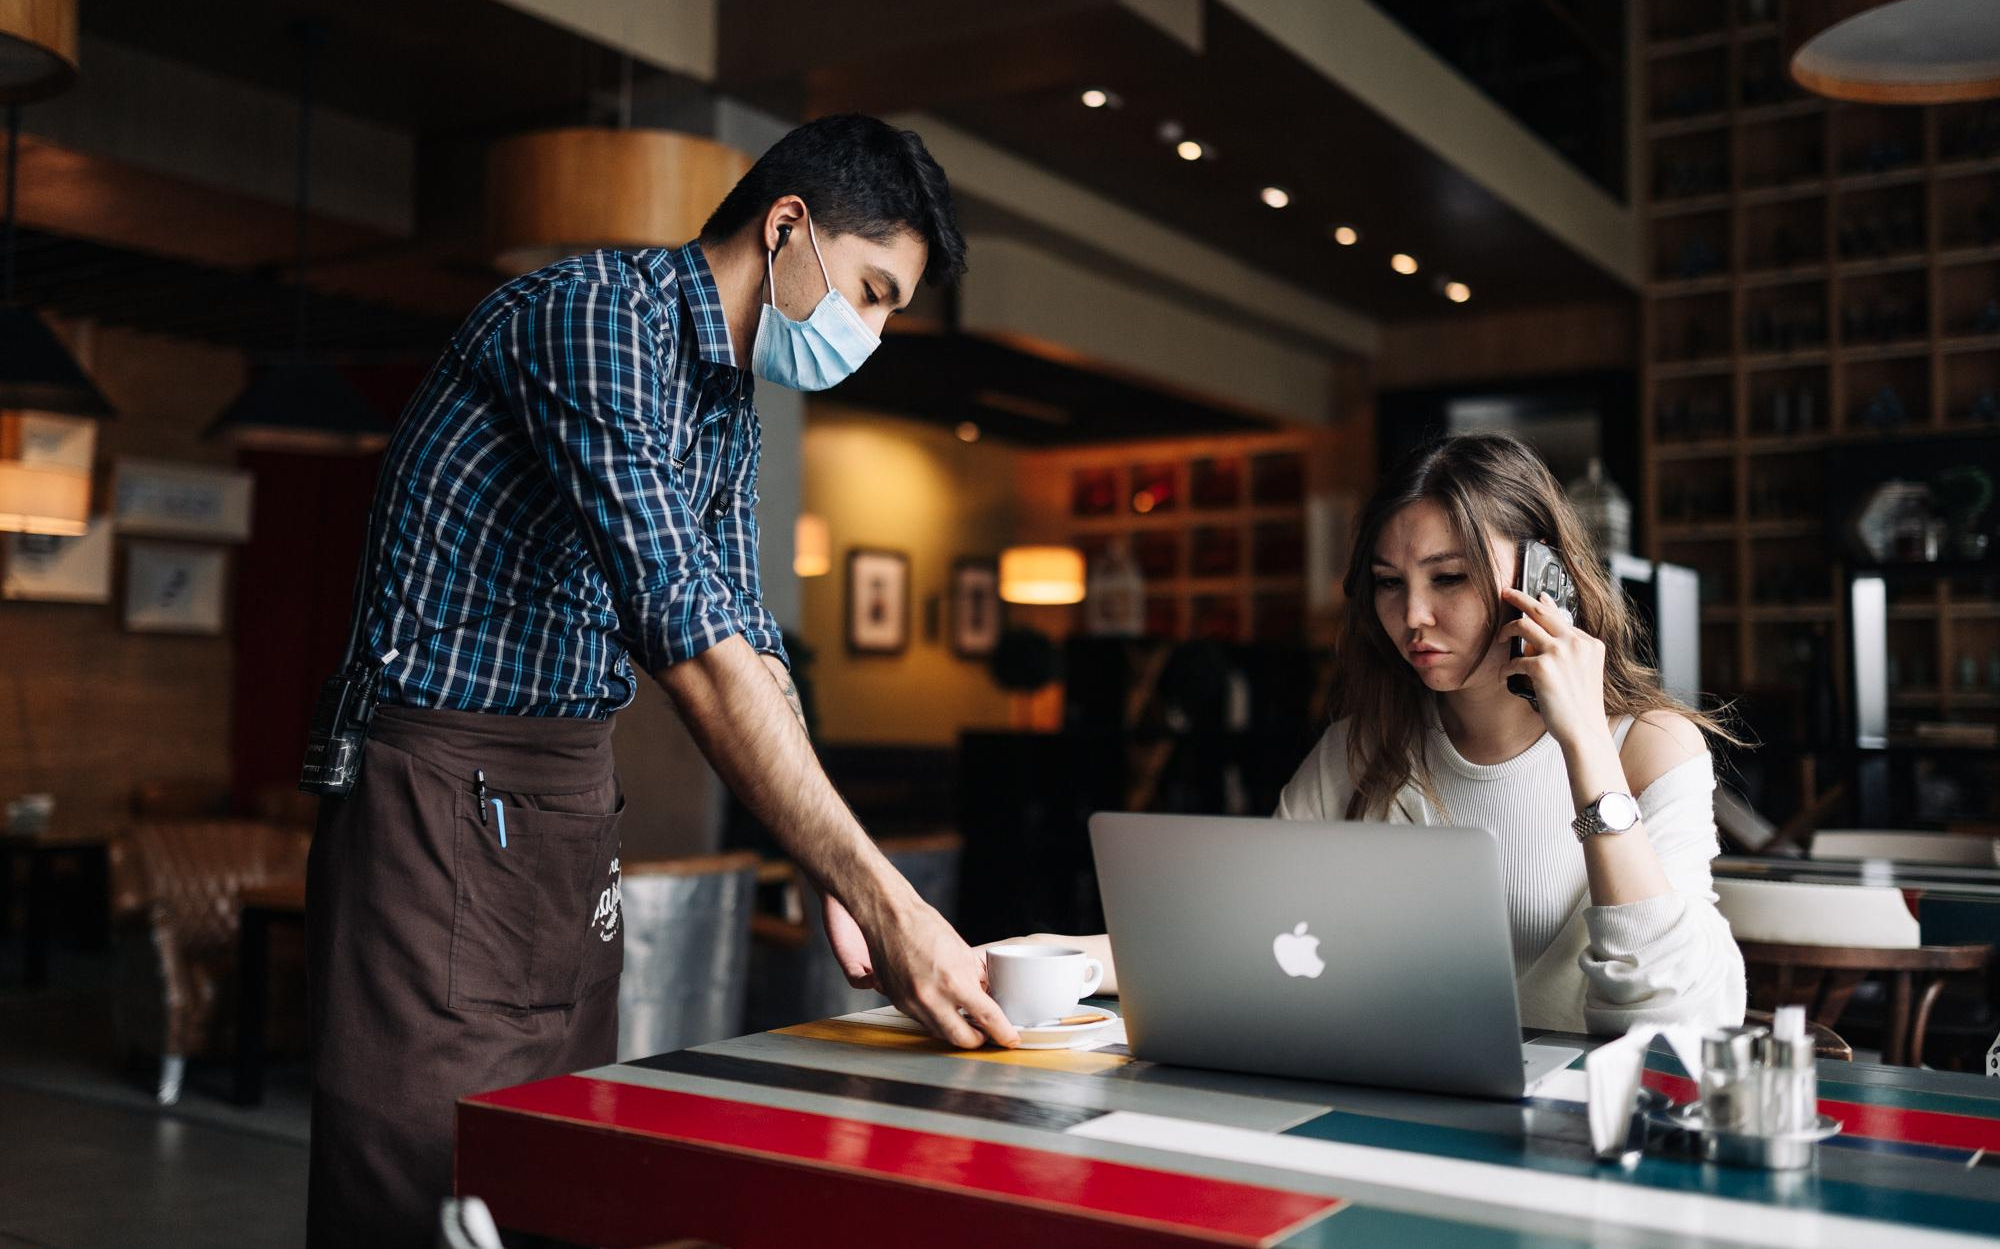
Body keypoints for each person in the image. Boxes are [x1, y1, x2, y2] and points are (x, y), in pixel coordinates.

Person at [305, 114, 1018, 1248]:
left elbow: (749, 641)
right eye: (872, 292)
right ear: (787, 226)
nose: (870, 332)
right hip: (435, 798)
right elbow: (686, 640)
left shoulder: (727, 400)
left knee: (546, 1176)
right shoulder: (596, 318)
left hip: (567, 808)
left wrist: (820, 855)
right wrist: (888, 897)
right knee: (422, 1190)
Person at [1005, 433, 1747, 1036]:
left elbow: (1676, 1010)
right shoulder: (1366, 747)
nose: (1412, 615)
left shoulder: (1651, 747)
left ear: (1546, 578)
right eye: (1390, 582)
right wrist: (1065, 958)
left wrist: (1586, 744)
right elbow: (1246, 934)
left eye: (1448, 578)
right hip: (1407, 1116)